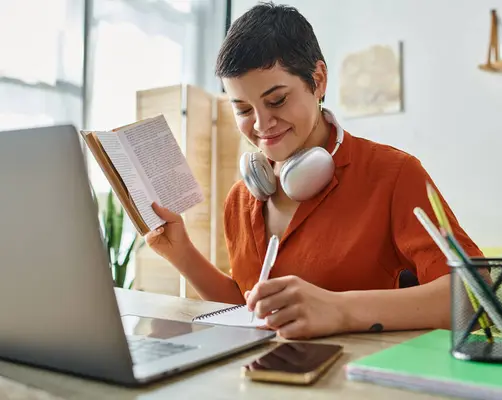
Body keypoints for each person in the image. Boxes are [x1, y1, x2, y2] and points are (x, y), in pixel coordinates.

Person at [145, 1, 484, 340]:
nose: (262, 125)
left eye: (277, 100)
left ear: (318, 80)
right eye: (244, 109)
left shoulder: (393, 174)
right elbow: (252, 316)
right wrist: (182, 254)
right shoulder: (241, 199)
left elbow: (475, 295)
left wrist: (340, 310)